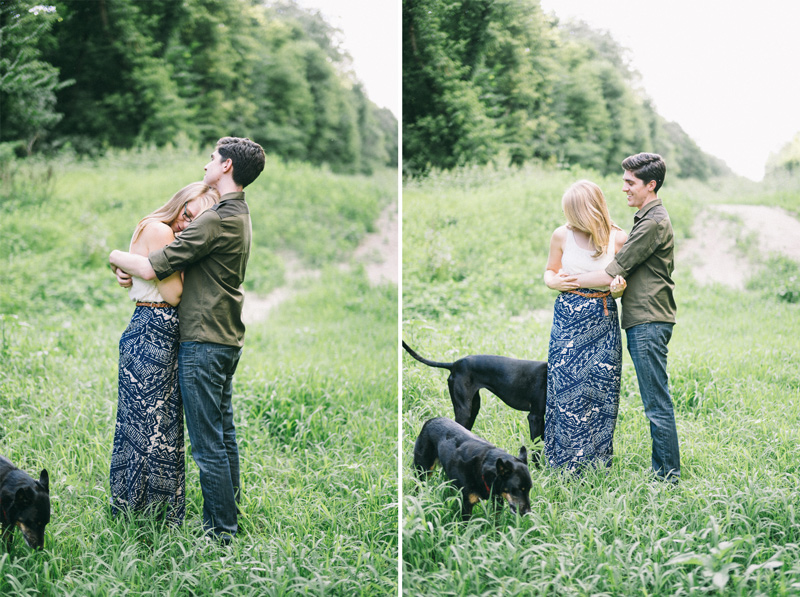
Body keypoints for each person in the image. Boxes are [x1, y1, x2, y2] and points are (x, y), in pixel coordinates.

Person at [109, 136, 266, 542]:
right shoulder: (240, 216)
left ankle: (221, 533)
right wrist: (132, 269)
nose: (206, 164)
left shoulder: (214, 220)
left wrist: (116, 258)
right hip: (227, 338)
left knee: (207, 444)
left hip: (203, 340)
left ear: (227, 166)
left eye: (213, 158)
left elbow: (155, 266)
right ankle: (229, 514)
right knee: (224, 434)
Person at [109, 182, 219, 525]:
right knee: (147, 427)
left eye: (195, 223)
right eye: (186, 214)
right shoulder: (159, 231)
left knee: (159, 426)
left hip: (161, 334)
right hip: (152, 332)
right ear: (177, 204)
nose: (186, 225)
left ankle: (148, 514)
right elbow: (173, 295)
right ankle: (143, 516)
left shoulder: (166, 235)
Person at [572, 152, 680, 483]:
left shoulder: (652, 223)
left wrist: (569, 280)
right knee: (655, 399)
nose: (624, 188)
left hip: (648, 321)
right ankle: (664, 473)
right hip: (644, 318)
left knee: (656, 402)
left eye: (630, 182)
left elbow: (612, 271)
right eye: (623, 181)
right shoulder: (648, 218)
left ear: (651, 185)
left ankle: (667, 479)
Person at [543, 180, 628, 473]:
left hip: (602, 317)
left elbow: (612, 278)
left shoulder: (618, 238)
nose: (569, 219)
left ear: (588, 211)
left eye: (573, 213)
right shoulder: (561, 235)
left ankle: (596, 462)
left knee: (601, 387)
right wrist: (552, 281)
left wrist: (613, 288)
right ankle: (562, 462)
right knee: (565, 385)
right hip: (567, 318)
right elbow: (550, 270)